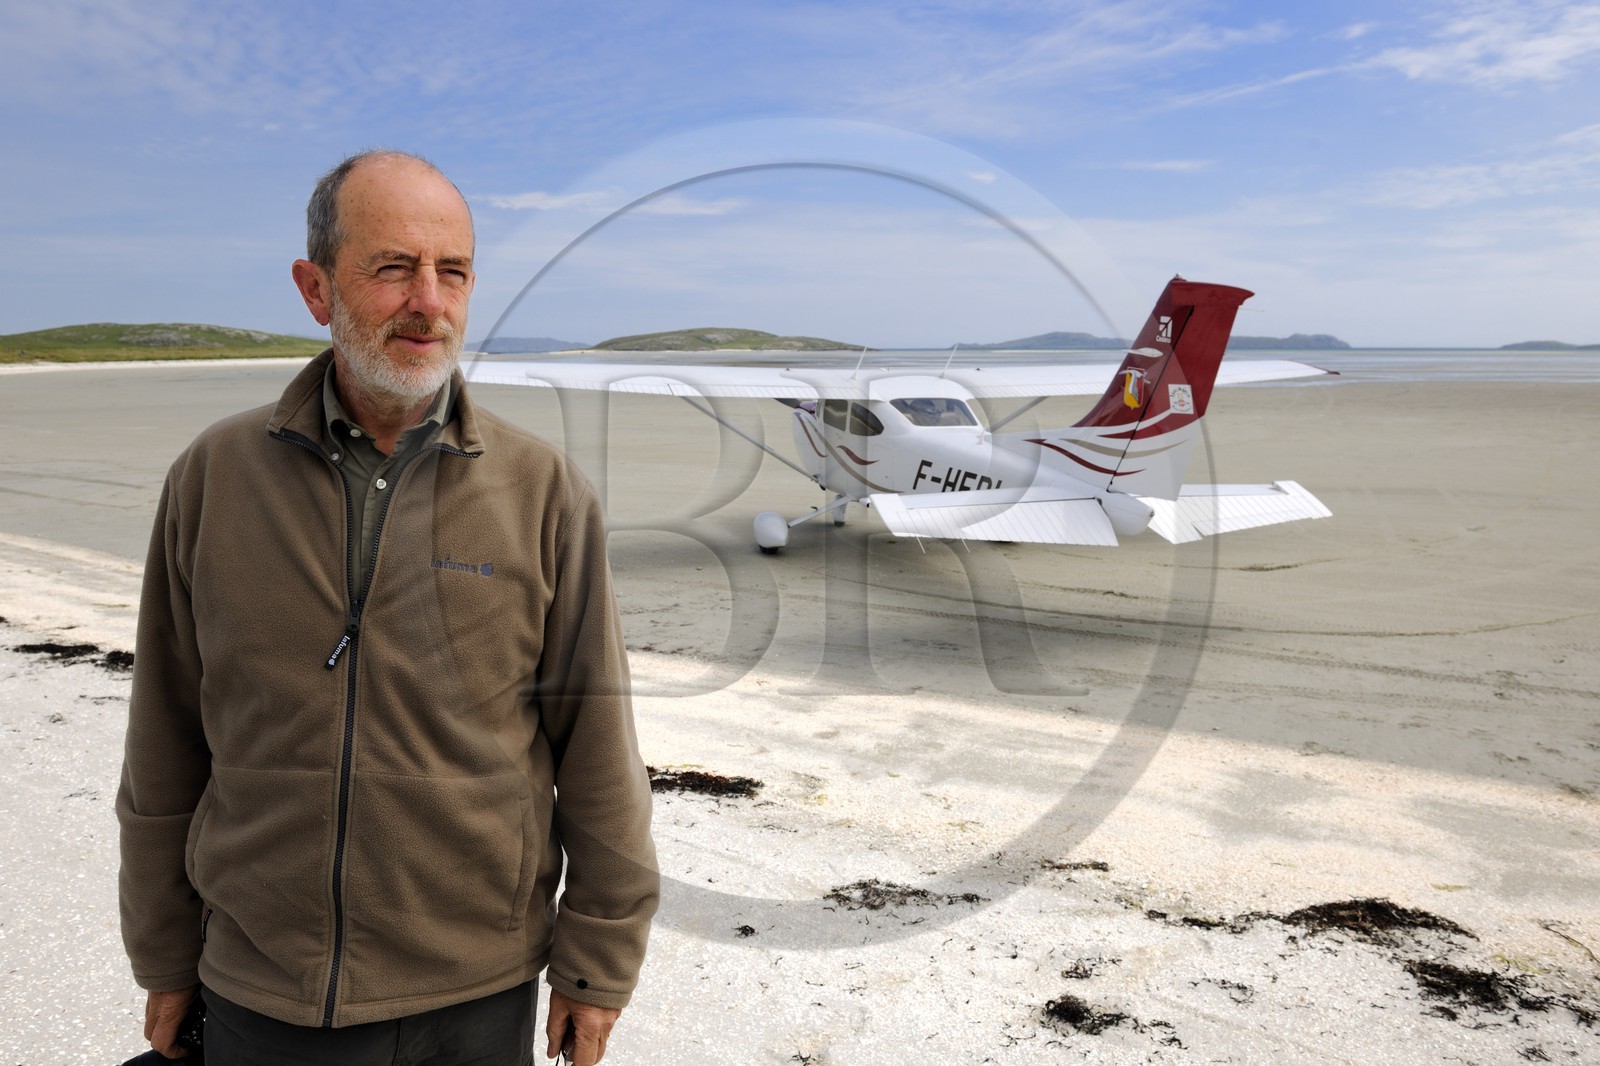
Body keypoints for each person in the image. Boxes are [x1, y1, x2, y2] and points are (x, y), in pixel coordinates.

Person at [116, 150, 658, 1066]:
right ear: (316, 287)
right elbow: (163, 741)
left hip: (476, 991)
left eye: (452, 272)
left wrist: (599, 959)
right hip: (259, 985)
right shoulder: (213, 477)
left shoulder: (544, 492)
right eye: (394, 268)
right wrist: (163, 952)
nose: (429, 302)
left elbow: (598, 744)